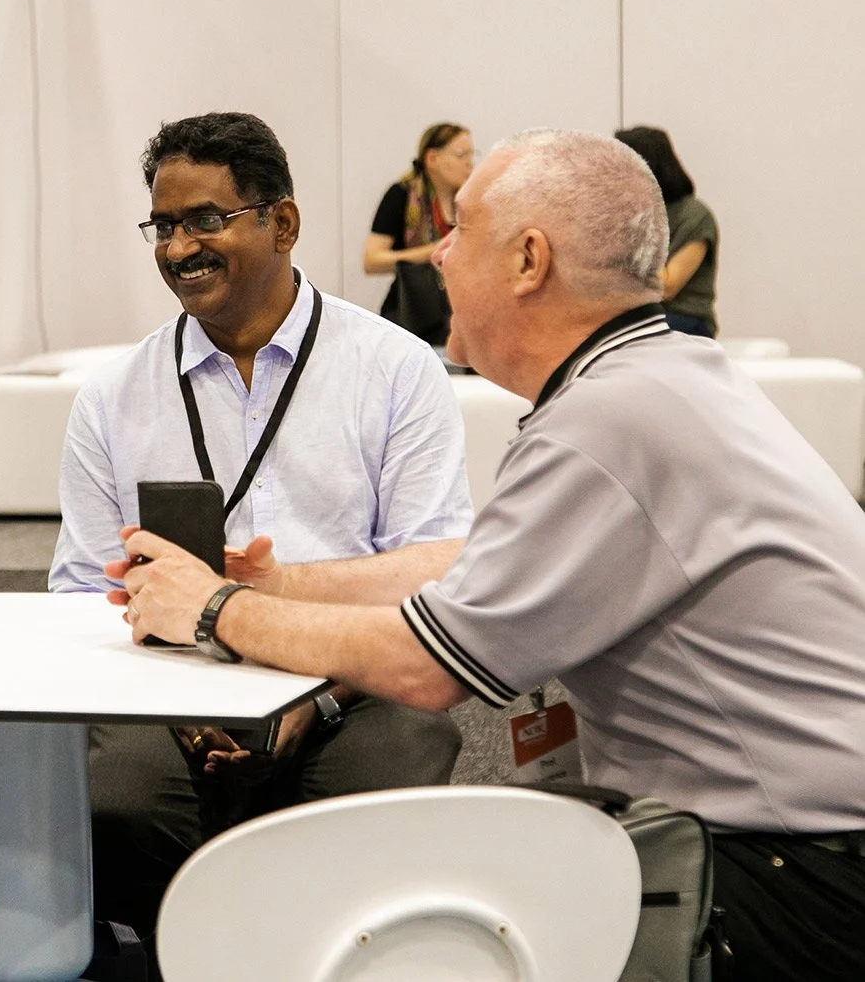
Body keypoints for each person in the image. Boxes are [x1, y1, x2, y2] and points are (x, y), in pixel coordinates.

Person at [114, 128, 865, 982]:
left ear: (528, 260)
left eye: (461, 229)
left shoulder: (605, 422)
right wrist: (282, 583)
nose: (437, 253)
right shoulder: (659, 379)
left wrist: (215, 610)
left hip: (795, 870)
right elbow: (480, 564)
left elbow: (428, 669)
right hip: (806, 838)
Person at [50, 111, 472, 969]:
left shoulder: (394, 372)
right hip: (167, 695)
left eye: (205, 220)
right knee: (116, 795)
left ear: (282, 223)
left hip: (349, 688)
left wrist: (308, 701)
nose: (177, 249)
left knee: (397, 765)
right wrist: (184, 710)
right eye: (163, 227)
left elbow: (430, 585)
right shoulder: (114, 397)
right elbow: (78, 601)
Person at [363, 122, 475, 341]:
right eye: (462, 155)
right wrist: (430, 253)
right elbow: (372, 260)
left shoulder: (469, 201)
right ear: (432, 158)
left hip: (457, 313)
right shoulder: (401, 195)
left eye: (472, 155)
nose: (470, 164)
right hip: (411, 313)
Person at [616, 125, 719, 336]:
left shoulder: (694, 215)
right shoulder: (619, 212)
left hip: (681, 318)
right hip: (631, 315)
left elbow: (668, 286)